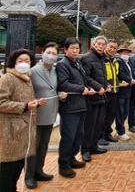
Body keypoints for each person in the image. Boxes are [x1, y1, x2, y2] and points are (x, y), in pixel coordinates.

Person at [0, 49, 44, 192]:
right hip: (10, 131)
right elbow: (1, 102)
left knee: (18, 165)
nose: (24, 64)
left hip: (24, 130)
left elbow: (26, 101)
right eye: (20, 61)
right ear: (13, 62)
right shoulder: (7, 78)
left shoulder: (27, 78)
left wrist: (35, 103)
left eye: (27, 61)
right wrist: (24, 106)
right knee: (8, 167)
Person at [25, 43, 67, 189]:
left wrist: (60, 94)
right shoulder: (32, 71)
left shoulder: (55, 71)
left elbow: (54, 89)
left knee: (43, 145)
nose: (51, 55)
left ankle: (39, 171)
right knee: (33, 147)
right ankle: (29, 176)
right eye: (48, 52)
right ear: (42, 53)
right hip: (35, 114)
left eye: (54, 53)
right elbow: (25, 92)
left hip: (50, 114)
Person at [57, 37, 94, 178]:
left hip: (81, 105)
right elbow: (63, 84)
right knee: (68, 136)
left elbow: (84, 80)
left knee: (78, 135)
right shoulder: (63, 65)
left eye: (77, 48)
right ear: (65, 50)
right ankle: (63, 165)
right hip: (70, 107)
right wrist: (81, 88)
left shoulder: (77, 63)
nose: (75, 50)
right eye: (72, 48)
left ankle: (72, 159)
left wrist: (89, 87)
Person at [80, 36, 109, 162]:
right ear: (94, 44)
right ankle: (85, 149)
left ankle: (94, 145)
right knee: (89, 124)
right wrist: (98, 87)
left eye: (103, 44)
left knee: (99, 123)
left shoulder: (102, 59)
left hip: (101, 96)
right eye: (99, 44)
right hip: (91, 97)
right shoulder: (87, 58)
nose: (101, 46)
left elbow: (102, 75)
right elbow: (86, 77)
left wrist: (106, 84)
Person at [101, 39, 120, 144]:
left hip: (114, 91)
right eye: (110, 47)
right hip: (104, 92)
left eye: (114, 48)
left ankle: (107, 134)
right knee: (102, 116)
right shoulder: (101, 59)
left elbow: (116, 75)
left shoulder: (115, 60)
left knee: (111, 115)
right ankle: (100, 136)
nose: (112, 49)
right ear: (106, 46)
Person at [115, 45, 134, 141]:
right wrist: (129, 79)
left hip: (128, 91)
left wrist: (132, 79)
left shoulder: (127, 63)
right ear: (120, 53)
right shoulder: (118, 61)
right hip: (121, 91)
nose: (126, 54)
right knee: (120, 113)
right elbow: (120, 73)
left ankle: (121, 130)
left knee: (125, 112)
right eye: (124, 53)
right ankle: (120, 132)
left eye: (127, 53)